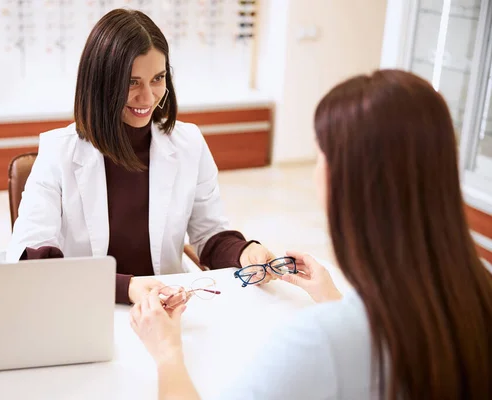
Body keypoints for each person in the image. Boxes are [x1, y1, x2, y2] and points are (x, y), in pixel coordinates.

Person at [130, 70, 492, 399]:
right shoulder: (479, 290)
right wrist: (332, 297)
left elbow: (355, 344)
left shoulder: (315, 342)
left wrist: (167, 353)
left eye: (320, 155)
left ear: (340, 180)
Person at [6, 9, 275, 305]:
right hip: (88, 307)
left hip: (168, 304)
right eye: (132, 82)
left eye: (157, 78)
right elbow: (32, 262)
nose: (148, 97)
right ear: (100, 83)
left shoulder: (188, 143)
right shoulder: (57, 153)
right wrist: (127, 288)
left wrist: (243, 251)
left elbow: (210, 233)